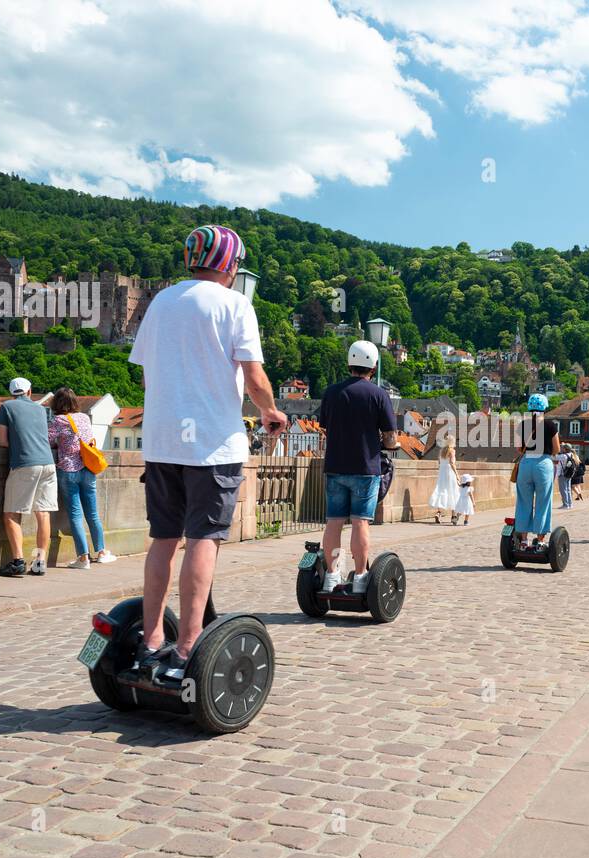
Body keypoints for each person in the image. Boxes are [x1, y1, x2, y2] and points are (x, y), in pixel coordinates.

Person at [130, 224, 287, 680]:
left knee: (163, 539)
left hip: (161, 441)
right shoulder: (236, 305)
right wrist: (272, 411)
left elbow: (147, 376)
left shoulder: (160, 302)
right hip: (213, 445)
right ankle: (187, 647)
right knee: (203, 538)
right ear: (229, 266)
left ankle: (151, 638)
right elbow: (254, 380)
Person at [319, 340, 400, 590]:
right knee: (360, 523)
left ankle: (331, 575)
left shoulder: (331, 392)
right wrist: (390, 445)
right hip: (365, 469)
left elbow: (323, 428)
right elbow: (390, 436)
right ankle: (361, 576)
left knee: (333, 523)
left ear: (349, 364)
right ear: (373, 367)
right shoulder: (378, 395)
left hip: (335, 466)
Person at [0, 376, 58, 576]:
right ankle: (40, 561)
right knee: (43, 513)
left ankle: (18, 562)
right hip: (48, 463)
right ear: (29, 392)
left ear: (12, 393)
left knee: (12, 514)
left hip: (25, 464)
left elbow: (2, 441)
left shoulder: (7, 407)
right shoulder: (40, 409)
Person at [48, 386, 116, 569]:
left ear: (56, 403)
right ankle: (101, 552)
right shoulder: (85, 417)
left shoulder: (58, 420)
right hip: (88, 469)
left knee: (76, 515)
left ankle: (83, 558)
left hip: (68, 470)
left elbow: (46, 440)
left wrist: (59, 444)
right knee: (93, 514)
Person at [514, 394, 560, 549]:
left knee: (523, 502)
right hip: (543, 464)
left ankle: (524, 540)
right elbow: (557, 449)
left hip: (526, 464)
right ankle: (540, 540)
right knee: (543, 502)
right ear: (545, 407)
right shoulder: (550, 425)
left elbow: (519, 448)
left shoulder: (523, 425)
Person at [429, 434, 460, 523]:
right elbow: (452, 463)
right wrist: (457, 474)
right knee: (453, 491)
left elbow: (439, 462)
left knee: (441, 491)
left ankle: (438, 513)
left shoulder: (441, 451)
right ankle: (453, 516)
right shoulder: (452, 451)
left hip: (442, 472)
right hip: (449, 472)